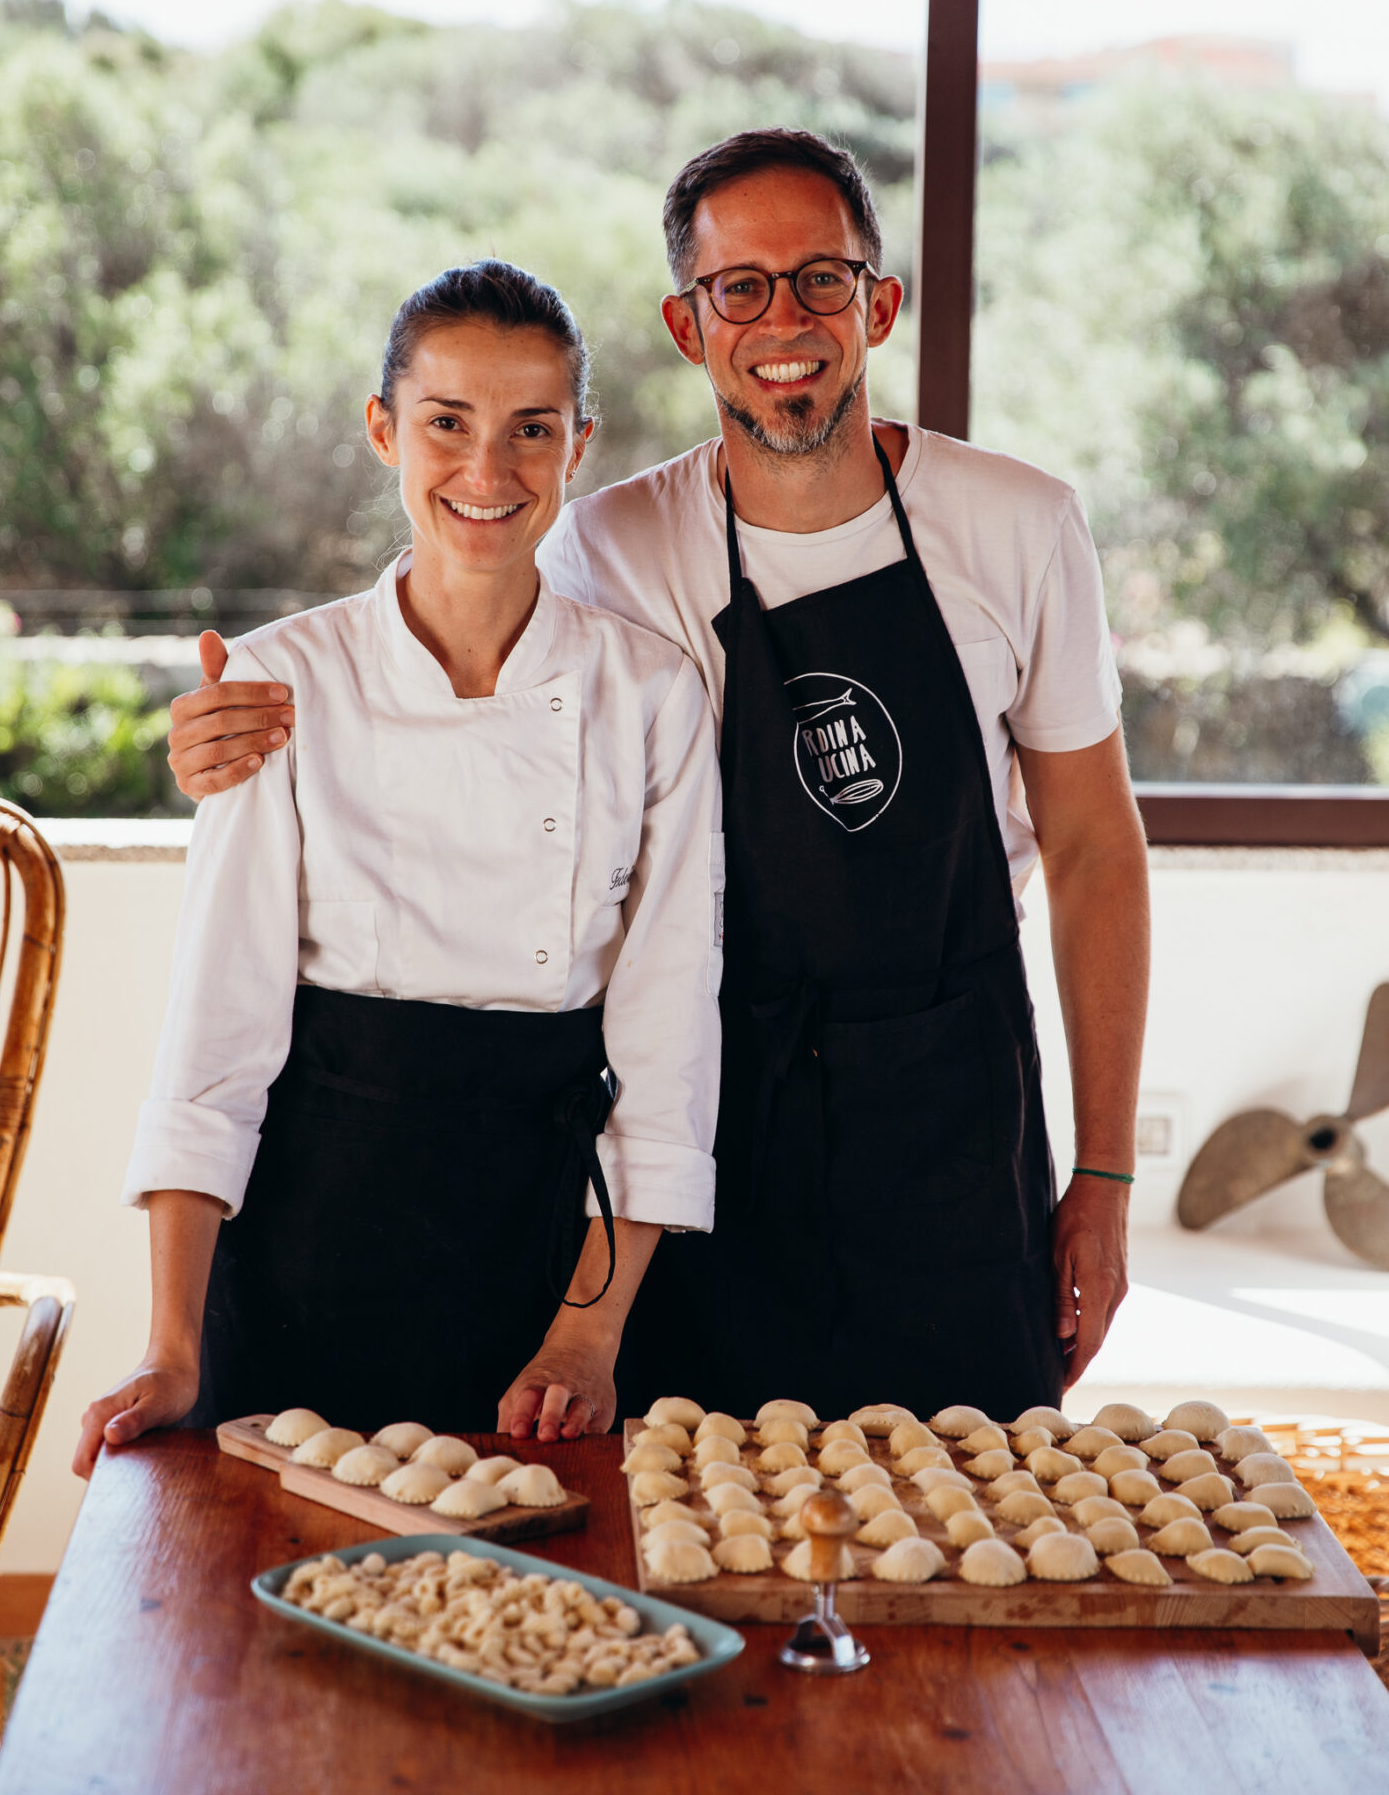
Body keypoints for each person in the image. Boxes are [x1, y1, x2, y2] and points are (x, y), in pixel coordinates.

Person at [162, 130, 1150, 1425]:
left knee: (967, 1561)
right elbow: (453, 659)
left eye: (821, 280)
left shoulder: (1020, 524)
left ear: (880, 304)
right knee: (691, 1547)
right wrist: (240, 730)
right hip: (707, 1146)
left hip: (952, 1134)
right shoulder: (606, 545)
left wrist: (1108, 1177)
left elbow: (1093, 850)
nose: (783, 319)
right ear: (690, 327)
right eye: (740, 288)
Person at [73, 261, 721, 1478]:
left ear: (579, 446)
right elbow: (216, 1041)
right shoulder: (279, 685)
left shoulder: (649, 695)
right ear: (385, 430)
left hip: (545, 1253)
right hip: (307, 1242)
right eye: (447, 425)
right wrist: (171, 1347)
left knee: (533, 1627)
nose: (489, 473)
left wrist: (589, 1337)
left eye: (532, 430)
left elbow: (667, 1035)